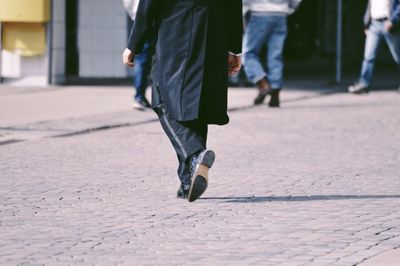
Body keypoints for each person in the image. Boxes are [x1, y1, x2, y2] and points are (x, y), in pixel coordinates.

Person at [122, 0, 243, 202]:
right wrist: (234, 48)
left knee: (162, 99)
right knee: (197, 102)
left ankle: (196, 155)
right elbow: (233, 5)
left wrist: (134, 44)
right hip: (213, 31)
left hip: (175, 30)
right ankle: (188, 180)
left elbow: (148, 4)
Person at [242, 0, 302, 107]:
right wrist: (290, 8)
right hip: (280, 15)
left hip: (259, 12)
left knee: (248, 53)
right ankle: (275, 89)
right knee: (275, 55)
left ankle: (262, 84)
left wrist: (244, 8)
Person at [348, 0, 400, 94]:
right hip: (374, 24)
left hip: (389, 23)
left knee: (398, 56)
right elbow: (370, 5)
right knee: (368, 56)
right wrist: (366, 24)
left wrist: (393, 20)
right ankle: (364, 83)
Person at [122, 0, 152, 110]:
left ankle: (140, 96)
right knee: (144, 60)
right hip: (144, 19)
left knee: (143, 60)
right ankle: (139, 96)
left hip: (138, 18)